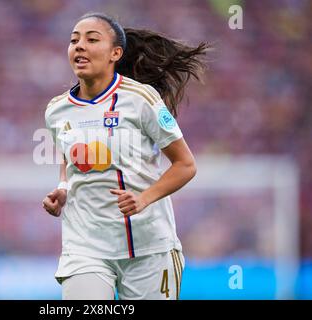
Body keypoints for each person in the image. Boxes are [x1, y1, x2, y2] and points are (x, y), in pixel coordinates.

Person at [43, 12, 208, 300]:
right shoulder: (56, 110)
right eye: (74, 40)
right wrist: (63, 187)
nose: (79, 45)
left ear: (115, 53)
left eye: (92, 39)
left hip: (148, 247)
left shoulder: (141, 99)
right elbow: (69, 156)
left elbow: (185, 165)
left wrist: (144, 197)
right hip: (86, 247)